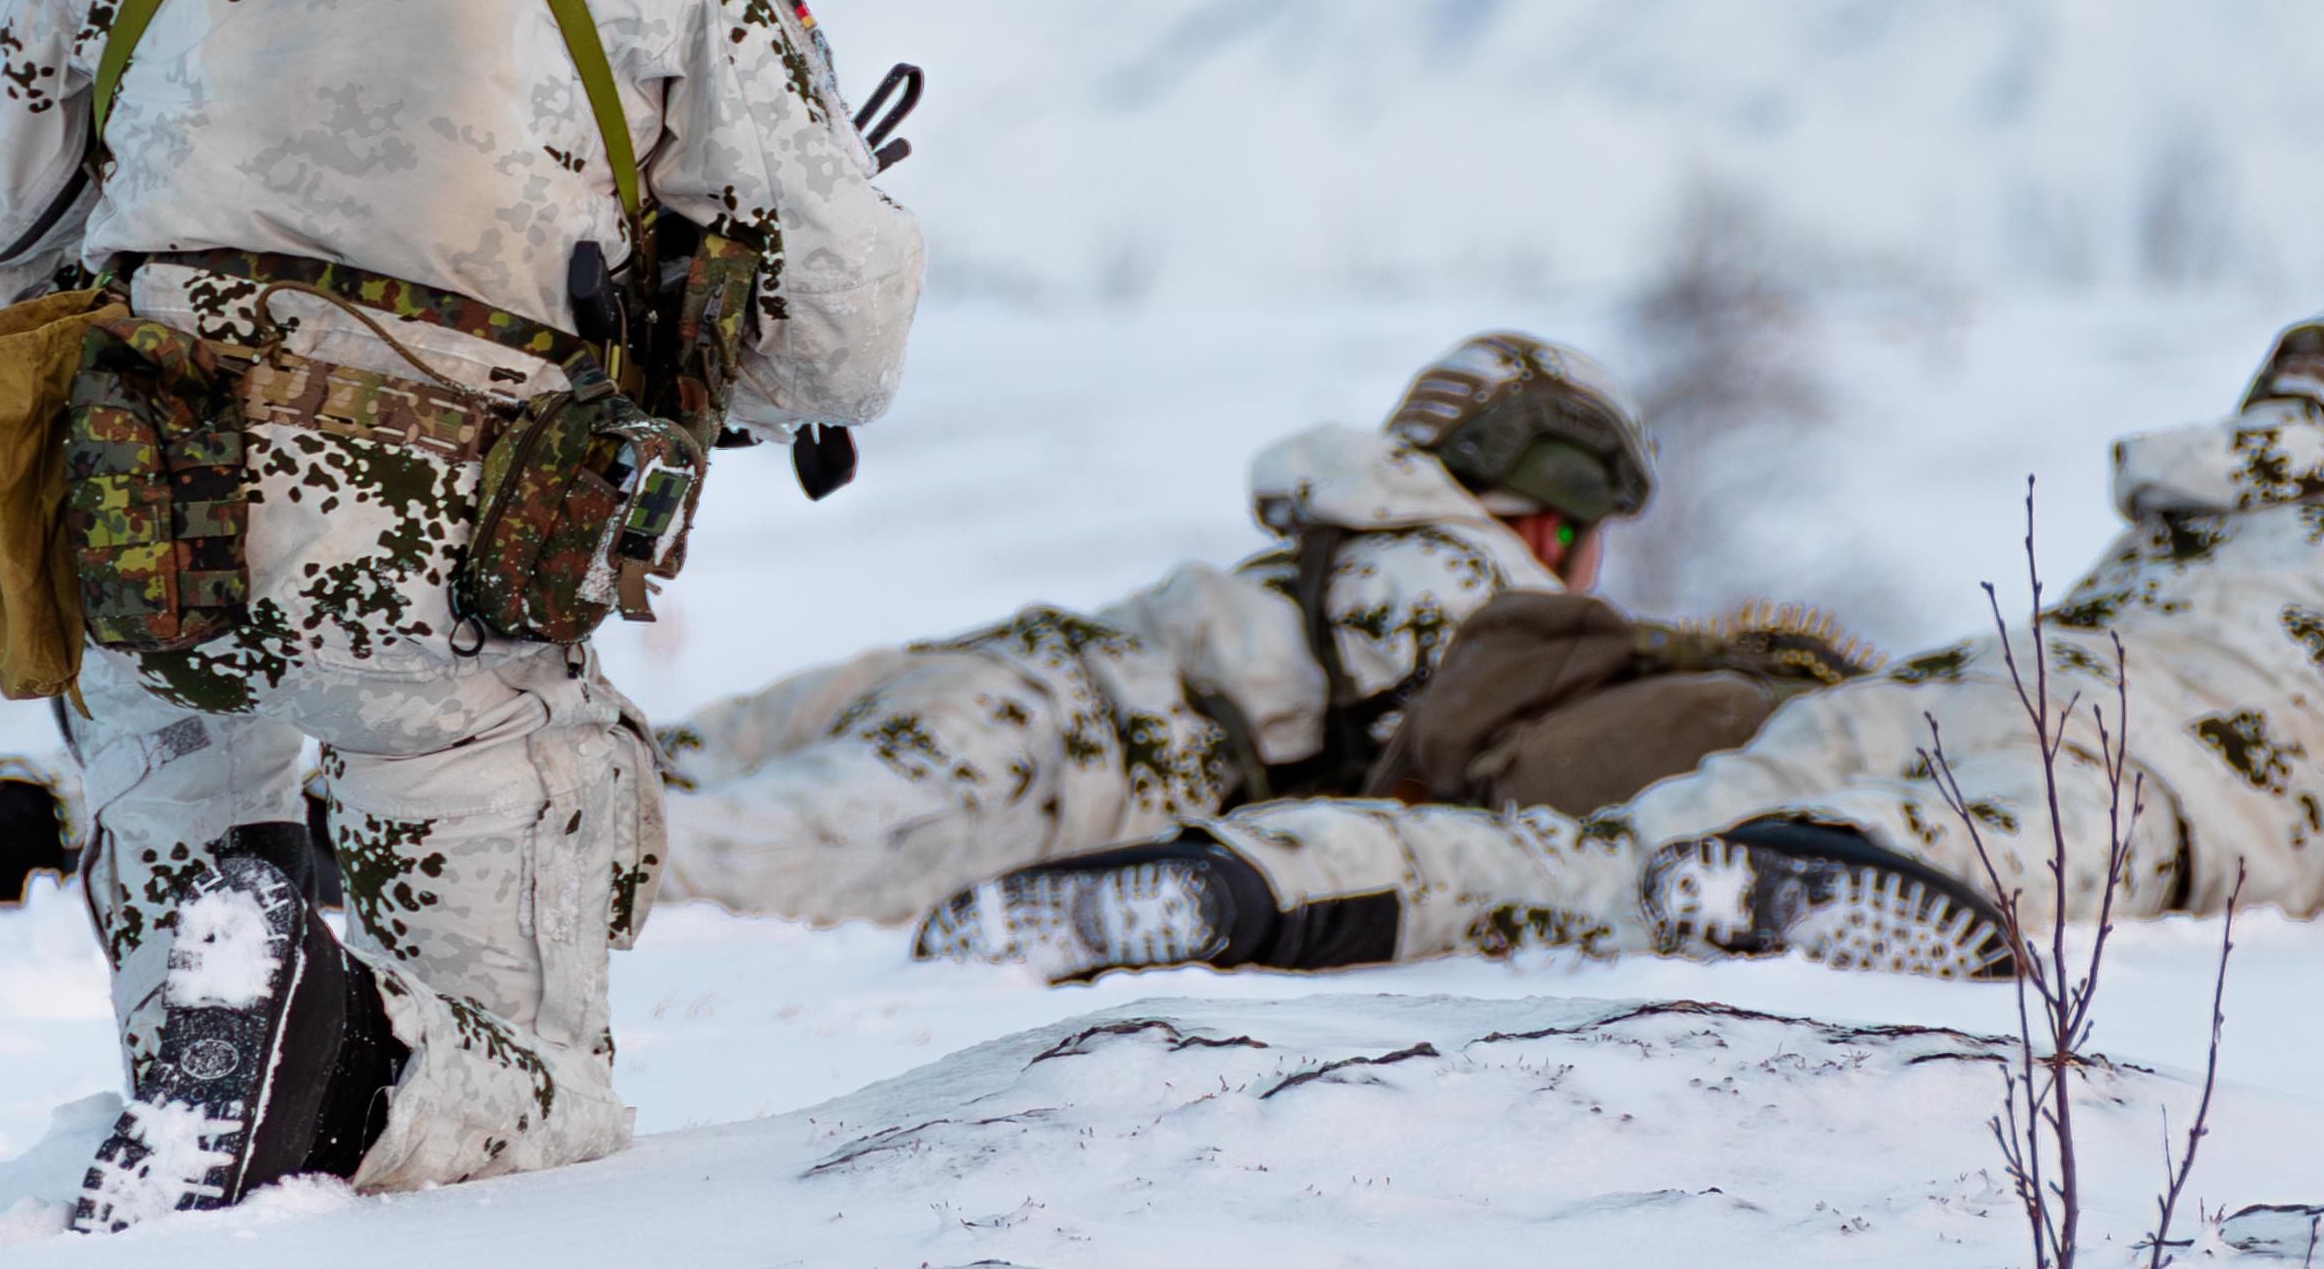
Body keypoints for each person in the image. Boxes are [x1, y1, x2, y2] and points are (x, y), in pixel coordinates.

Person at [0, 0, 923, 1221]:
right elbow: (841, 339)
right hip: (449, 587)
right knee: (521, 1090)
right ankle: (345, 1063)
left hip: (142, 547)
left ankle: (254, 1027)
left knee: (217, 1087)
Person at [923, 299, 2324, 983]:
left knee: (1565, 855)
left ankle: (1245, 878)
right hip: (2136, 785)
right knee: (1990, 851)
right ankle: (1798, 879)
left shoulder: (2172, 528)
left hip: (1941, 690)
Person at [657, 333, 1659, 943]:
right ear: (1556, 509)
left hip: (995, 678)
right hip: (1059, 755)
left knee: (598, 776)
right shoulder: (1471, 579)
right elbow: (1471, 792)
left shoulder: (1359, 535)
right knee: (680, 862)